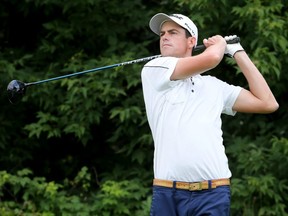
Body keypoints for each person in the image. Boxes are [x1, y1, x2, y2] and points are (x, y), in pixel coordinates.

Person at [140, 13, 279, 216]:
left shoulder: (214, 86)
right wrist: (220, 45)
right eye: (162, 33)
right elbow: (212, 58)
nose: (164, 37)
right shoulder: (154, 68)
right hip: (167, 192)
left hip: (213, 193)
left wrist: (237, 51)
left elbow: (268, 103)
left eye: (173, 32)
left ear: (191, 42)